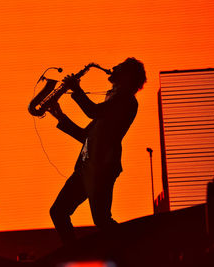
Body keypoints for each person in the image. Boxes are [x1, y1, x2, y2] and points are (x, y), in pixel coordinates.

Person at [48, 58, 146, 244]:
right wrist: (60, 116)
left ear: (128, 76)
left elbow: (93, 111)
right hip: (88, 167)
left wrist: (76, 90)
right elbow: (86, 135)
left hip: (102, 168)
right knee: (59, 212)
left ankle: (132, 248)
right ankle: (76, 256)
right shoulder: (114, 98)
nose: (113, 66)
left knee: (100, 219)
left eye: (120, 66)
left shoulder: (126, 100)